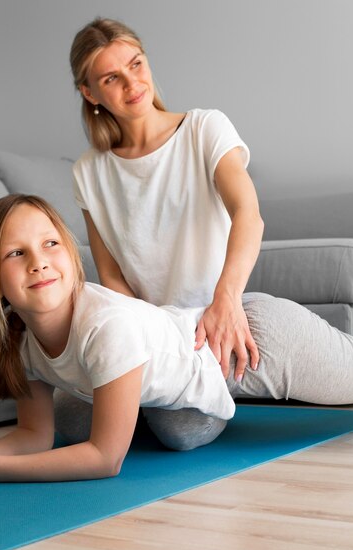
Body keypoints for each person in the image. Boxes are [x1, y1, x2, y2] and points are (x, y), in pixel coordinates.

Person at [0, 195, 353, 487]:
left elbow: (104, 459)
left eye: (51, 244)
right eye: (16, 253)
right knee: (80, 423)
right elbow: (36, 435)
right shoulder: (16, 339)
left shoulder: (105, 325)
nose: (39, 262)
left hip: (258, 340)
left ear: (73, 259)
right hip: (186, 366)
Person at [70, 17, 264, 382]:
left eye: (136, 64)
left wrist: (226, 299)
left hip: (215, 316)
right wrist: (151, 338)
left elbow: (248, 214)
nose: (132, 83)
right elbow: (111, 275)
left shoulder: (205, 128)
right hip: (151, 334)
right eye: (112, 78)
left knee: (180, 431)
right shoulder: (88, 171)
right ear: (90, 93)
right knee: (72, 412)